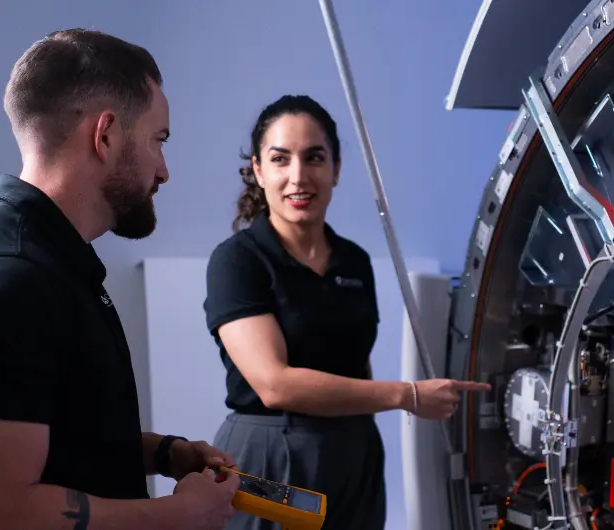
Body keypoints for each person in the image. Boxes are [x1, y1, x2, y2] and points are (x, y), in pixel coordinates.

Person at [0, 29, 242, 530]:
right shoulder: (2, 283)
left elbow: (45, 433)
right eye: (158, 141)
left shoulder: (49, 268)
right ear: (105, 135)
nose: (164, 171)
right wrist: (179, 515)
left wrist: (165, 454)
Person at [202, 94, 493, 530]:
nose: (298, 176)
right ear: (259, 172)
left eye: (314, 158)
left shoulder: (354, 262)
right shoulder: (238, 261)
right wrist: (409, 395)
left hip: (353, 452)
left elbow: (357, 367)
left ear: (336, 169)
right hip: (271, 457)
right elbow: (274, 385)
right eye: (280, 159)